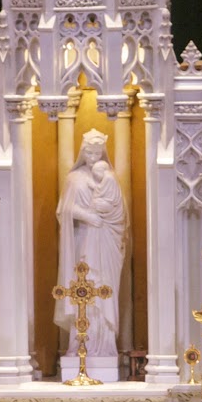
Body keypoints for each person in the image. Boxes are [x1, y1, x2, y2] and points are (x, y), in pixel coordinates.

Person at [54, 130, 127, 359]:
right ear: (82, 153)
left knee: (103, 290)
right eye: (89, 153)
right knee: (83, 289)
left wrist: (107, 214)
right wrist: (88, 216)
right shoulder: (74, 178)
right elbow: (63, 210)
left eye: (97, 153)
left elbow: (120, 215)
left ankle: (105, 345)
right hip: (83, 241)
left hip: (106, 242)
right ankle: (80, 344)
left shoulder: (110, 178)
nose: (93, 158)